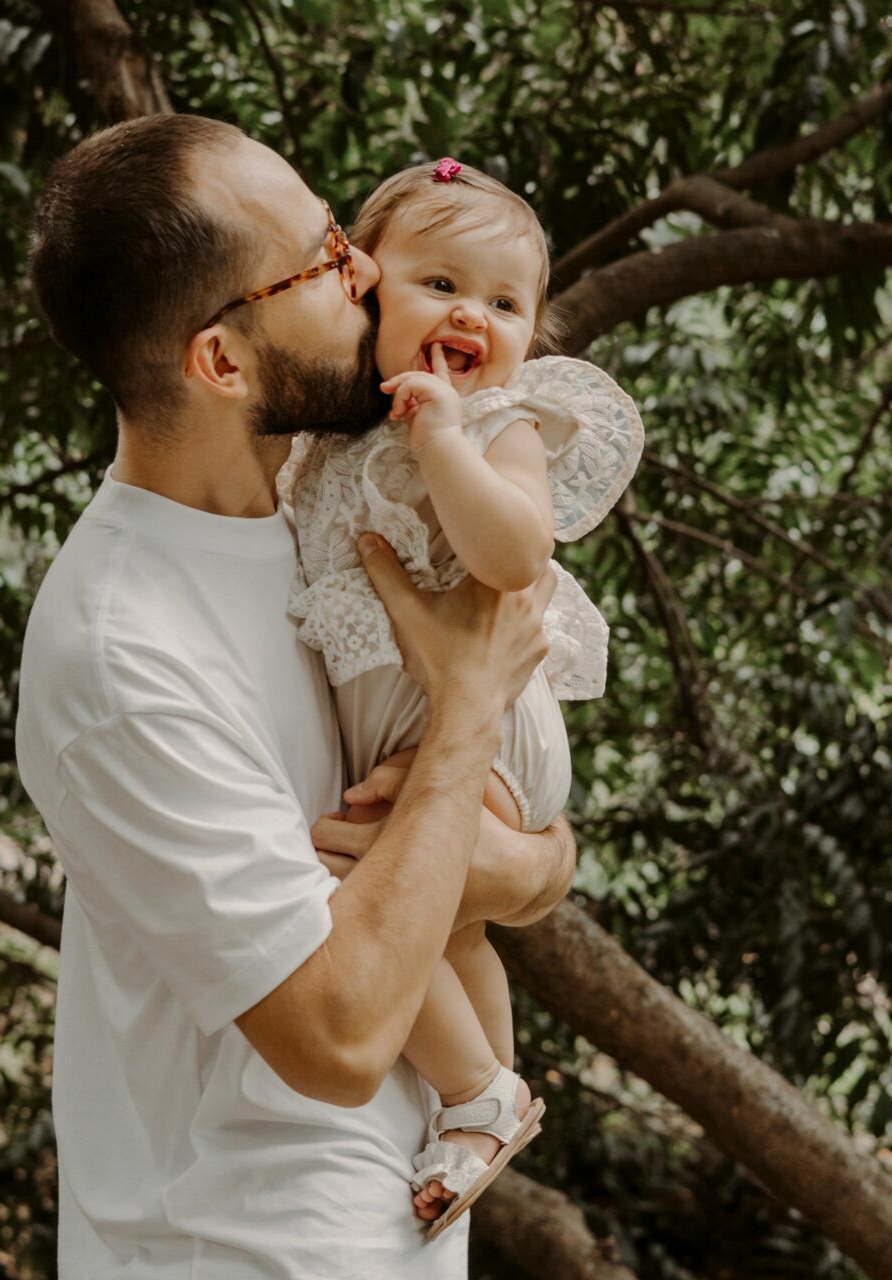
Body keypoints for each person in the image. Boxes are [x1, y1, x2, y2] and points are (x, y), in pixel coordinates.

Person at [15, 114, 576, 1280]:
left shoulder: (331, 506)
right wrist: (466, 708)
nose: (365, 265)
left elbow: (528, 853)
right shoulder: (121, 653)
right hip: (244, 1245)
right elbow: (338, 1035)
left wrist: (520, 864)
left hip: (391, 1226)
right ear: (221, 362)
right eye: (321, 257)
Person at [282, 157, 644, 1236]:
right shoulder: (330, 434)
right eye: (438, 284)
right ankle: (483, 1106)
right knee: (449, 929)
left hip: (485, 727)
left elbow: (514, 552)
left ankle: (476, 1095)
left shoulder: (498, 425)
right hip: (420, 723)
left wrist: (443, 435)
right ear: (364, 290)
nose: (470, 316)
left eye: (503, 302)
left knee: (362, 885)